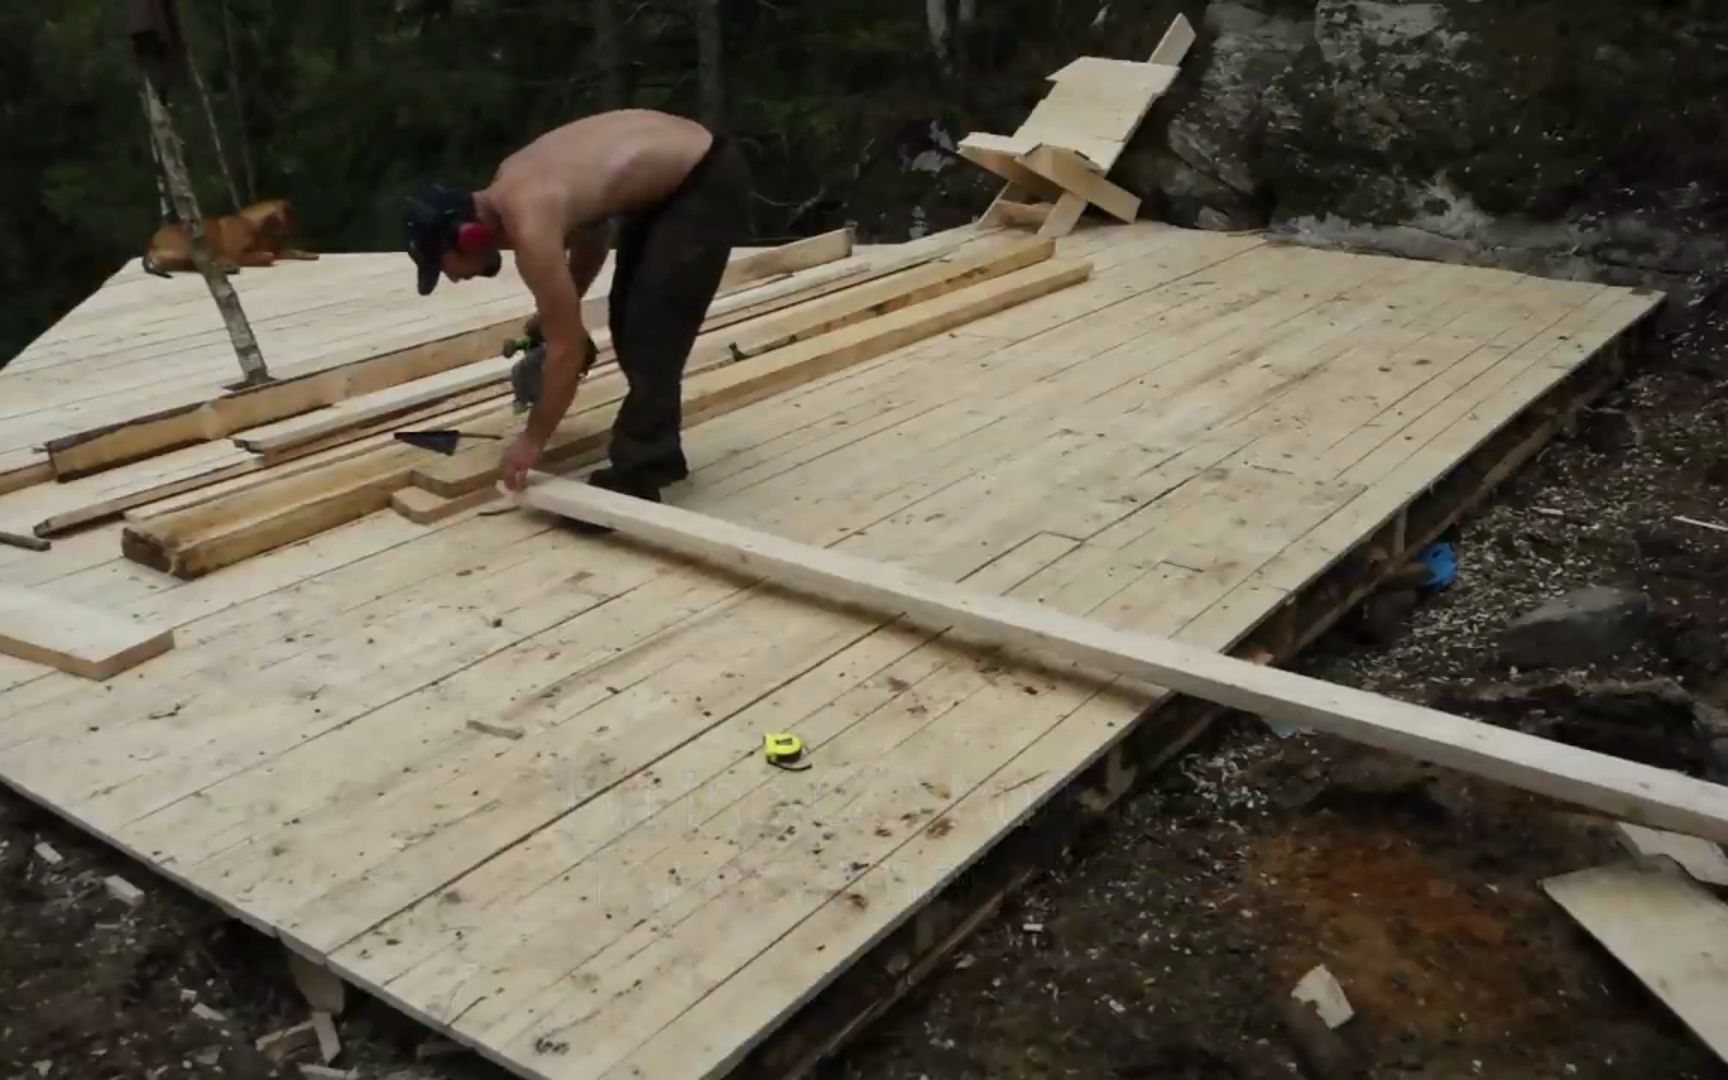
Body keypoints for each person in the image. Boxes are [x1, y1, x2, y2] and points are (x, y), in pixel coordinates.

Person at [402, 109, 751, 504]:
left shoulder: (529, 225)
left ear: (467, 237)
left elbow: (567, 352)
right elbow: (594, 230)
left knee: (650, 329)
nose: (452, 278)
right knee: (630, 315)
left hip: (702, 180)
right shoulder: (513, 181)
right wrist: (560, 311)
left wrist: (532, 440)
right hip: (676, 181)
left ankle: (641, 470)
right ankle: (661, 455)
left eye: (443, 266)